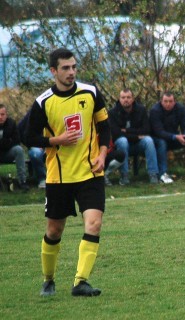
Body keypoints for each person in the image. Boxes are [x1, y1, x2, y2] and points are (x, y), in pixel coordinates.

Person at [25, 47, 111, 297]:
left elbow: (104, 127)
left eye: (74, 67)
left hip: (90, 173)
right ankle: (48, 280)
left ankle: (80, 282)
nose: (71, 72)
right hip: (59, 177)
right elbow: (28, 136)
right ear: (53, 71)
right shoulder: (43, 103)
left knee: (94, 224)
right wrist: (56, 140)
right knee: (54, 231)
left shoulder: (91, 92)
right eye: (65, 68)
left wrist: (102, 154)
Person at [149, 92, 185, 183]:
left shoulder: (180, 108)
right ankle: (162, 174)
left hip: (174, 138)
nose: (168, 104)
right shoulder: (155, 111)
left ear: (174, 102)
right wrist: (175, 137)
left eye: (170, 101)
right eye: (165, 101)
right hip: (158, 139)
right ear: (161, 101)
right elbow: (158, 132)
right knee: (162, 143)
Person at [108, 88, 159, 185]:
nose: (126, 100)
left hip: (138, 144)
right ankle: (124, 176)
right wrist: (136, 136)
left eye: (128, 97)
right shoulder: (112, 113)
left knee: (148, 140)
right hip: (121, 146)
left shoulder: (141, 110)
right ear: (119, 99)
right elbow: (116, 133)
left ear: (132, 99)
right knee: (122, 141)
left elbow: (146, 130)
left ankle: (153, 174)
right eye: (123, 97)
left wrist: (127, 130)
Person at [0, 103, 29, 191]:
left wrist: (4, 143)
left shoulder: (11, 123)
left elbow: (16, 140)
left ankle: (22, 181)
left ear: (6, 115)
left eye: (2, 114)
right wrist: (7, 141)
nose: (0, 117)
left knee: (18, 150)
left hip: (8, 153)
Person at [18, 110, 47, 188]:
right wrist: (31, 144)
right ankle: (42, 179)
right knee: (35, 153)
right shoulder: (32, 114)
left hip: (55, 144)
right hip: (37, 147)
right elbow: (19, 131)